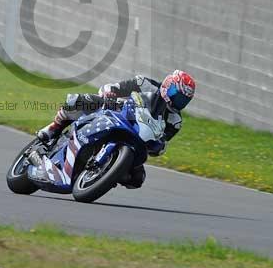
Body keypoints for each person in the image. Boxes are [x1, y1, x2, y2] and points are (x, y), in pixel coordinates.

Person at [35, 70, 196, 189]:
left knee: (137, 179)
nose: (178, 101)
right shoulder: (144, 83)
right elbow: (112, 87)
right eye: (177, 95)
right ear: (168, 86)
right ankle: (53, 128)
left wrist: (159, 147)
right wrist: (110, 93)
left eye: (184, 100)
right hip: (114, 113)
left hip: (135, 139)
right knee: (78, 101)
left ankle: (107, 173)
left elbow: (161, 140)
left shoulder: (175, 121)